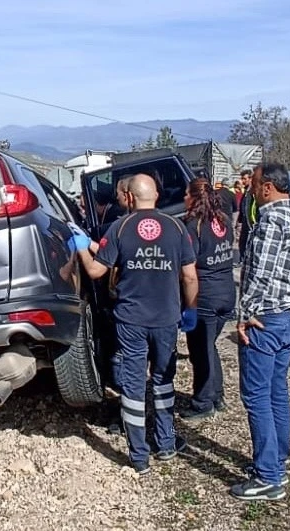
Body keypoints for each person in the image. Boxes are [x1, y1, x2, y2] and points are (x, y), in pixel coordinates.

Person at [68, 174, 199, 474]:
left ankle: (139, 456)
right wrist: (189, 310)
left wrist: (79, 248)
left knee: (134, 386)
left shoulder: (120, 227)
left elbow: (97, 270)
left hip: (130, 321)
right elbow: (190, 276)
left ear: (129, 198)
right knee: (164, 381)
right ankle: (165, 443)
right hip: (167, 319)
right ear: (155, 195)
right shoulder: (178, 228)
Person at [231, 162, 290, 501]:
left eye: (254, 183)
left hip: (264, 318)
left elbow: (259, 274)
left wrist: (245, 314)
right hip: (289, 316)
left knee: (256, 395)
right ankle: (277, 457)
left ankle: (269, 476)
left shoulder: (271, 220)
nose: (249, 188)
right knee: (277, 389)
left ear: (267, 188)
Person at [179, 178, 236, 420]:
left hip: (206, 295)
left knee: (200, 349)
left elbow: (188, 269)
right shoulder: (223, 221)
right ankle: (217, 395)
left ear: (194, 197)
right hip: (227, 292)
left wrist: (189, 306)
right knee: (209, 346)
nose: (183, 198)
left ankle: (203, 402)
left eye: (185, 194)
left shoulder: (193, 226)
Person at [236, 169, 256, 263]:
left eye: (244, 179)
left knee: (248, 243)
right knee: (242, 242)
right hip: (245, 221)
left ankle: (246, 261)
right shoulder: (246, 191)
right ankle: (242, 260)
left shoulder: (253, 192)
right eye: (242, 179)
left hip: (251, 222)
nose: (243, 181)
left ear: (250, 179)